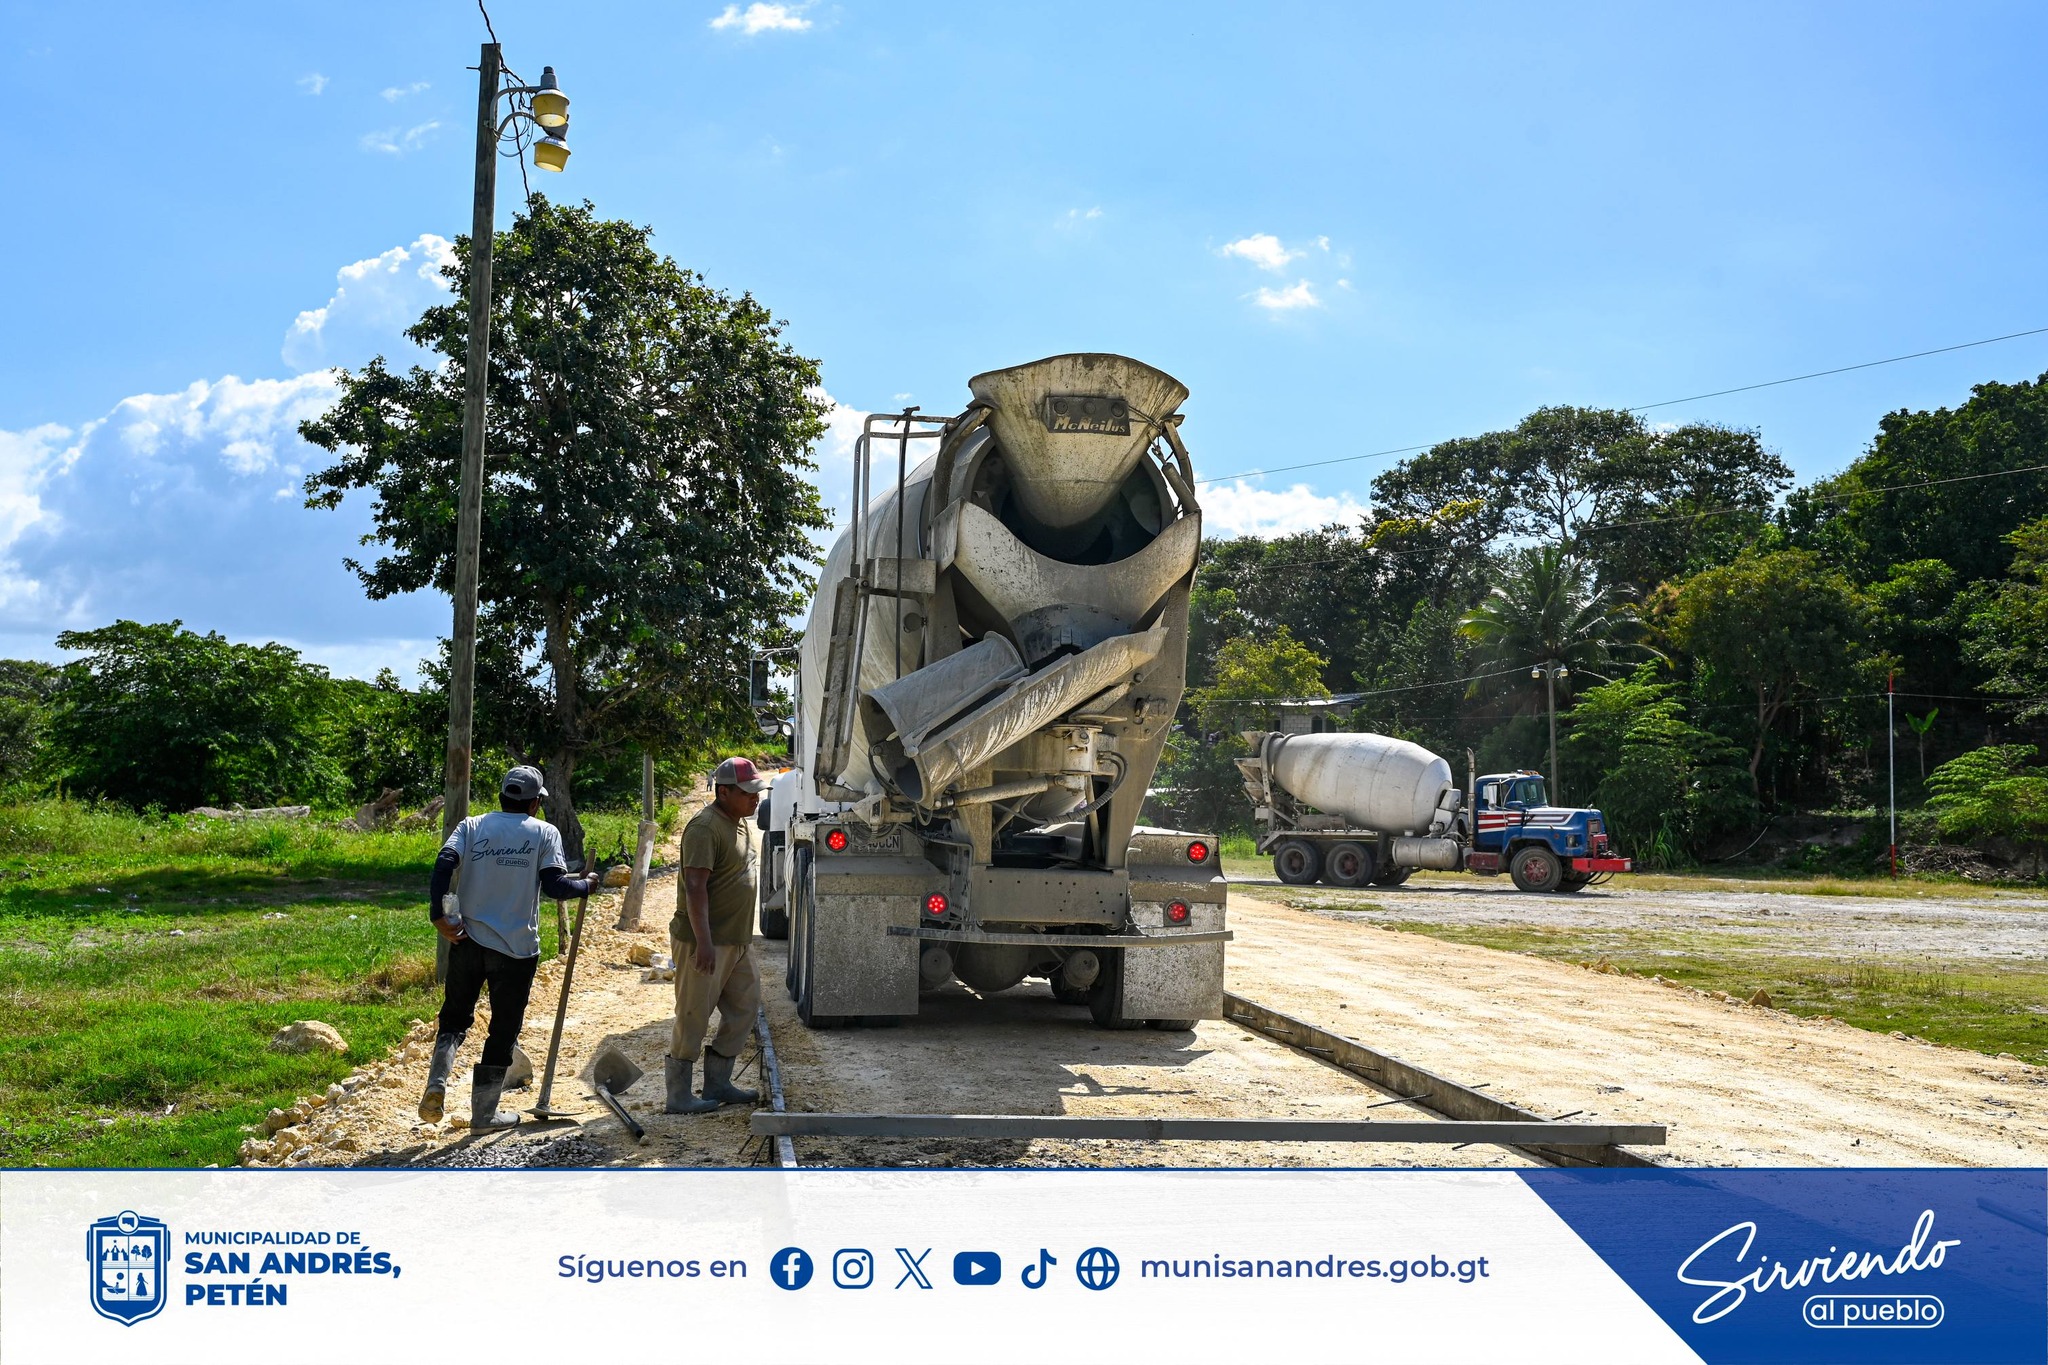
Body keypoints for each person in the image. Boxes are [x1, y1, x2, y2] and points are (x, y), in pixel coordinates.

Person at [419, 765, 599, 1128]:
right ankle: (484, 1114)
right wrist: (587, 885)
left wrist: (438, 913)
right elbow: (555, 886)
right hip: (516, 950)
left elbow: (444, 862)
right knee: (503, 1030)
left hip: (467, 940)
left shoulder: (472, 825)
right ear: (535, 803)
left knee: (454, 1019)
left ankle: (437, 1081)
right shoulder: (544, 832)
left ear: (502, 796)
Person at [666, 756, 768, 1114]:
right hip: (705, 940)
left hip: (736, 940)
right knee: (693, 1014)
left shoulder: (739, 823)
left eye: (756, 791)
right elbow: (695, 887)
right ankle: (678, 1095)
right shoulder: (705, 828)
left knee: (745, 1006)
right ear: (723, 792)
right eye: (747, 792)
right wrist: (704, 943)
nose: (755, 798)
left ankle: (718, 1082)